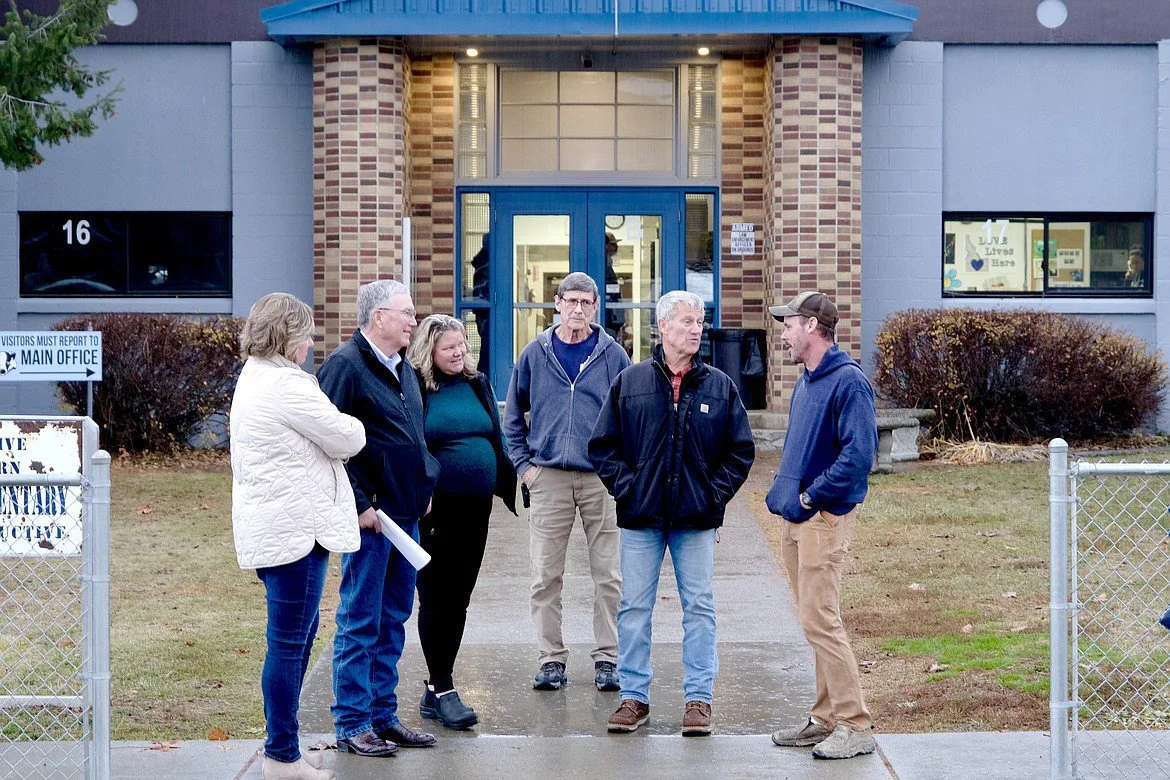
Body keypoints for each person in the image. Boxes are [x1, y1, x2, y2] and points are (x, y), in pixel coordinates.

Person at [588, 290, 754, 737]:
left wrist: (712, 496)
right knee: (634, 608)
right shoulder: (630, 382)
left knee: (699, 607)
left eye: (700, 322)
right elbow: (602, 446)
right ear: (662, 327)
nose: (696, 330)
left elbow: (740, 451)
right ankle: (633, 698)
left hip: (695, 520)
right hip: (641, 519)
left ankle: (699, 699)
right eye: (687, 322)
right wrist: (629, 488)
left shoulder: (720, 386)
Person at [230, 293, 366, 780]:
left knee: (293, 640)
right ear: (286, 336)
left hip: (275, 528)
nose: (310, 344)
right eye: (306, 335)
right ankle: (282, 756)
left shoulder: (253, 376)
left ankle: (284, 749)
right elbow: (349, 437)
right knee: (289, 644)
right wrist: (350, 425)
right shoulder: (288, 385)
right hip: (296, 533)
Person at [318, 279, 441, 757]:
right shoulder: (346, 366)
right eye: (406, 313)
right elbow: (327, 446)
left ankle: (382, 716)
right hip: (371, 520)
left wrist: (424, 485)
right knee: (360, 620)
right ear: (378, 317)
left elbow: (412, 436)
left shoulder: (404, 367)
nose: (414, 321)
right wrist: (359, 504)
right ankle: (352, 723)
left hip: (405, 516)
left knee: (393, 619)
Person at [503, 271, 632, 692]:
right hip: (549, 478)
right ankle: (551, 659)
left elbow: (631, 417)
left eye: (586, 302)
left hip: (601, 481)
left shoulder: (614, 356)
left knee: (609, 575)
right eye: (571, 301)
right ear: (557, 304)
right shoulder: (535, 354)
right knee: (545, 575)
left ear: (595, 307)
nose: (578, 309)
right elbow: (512, 418)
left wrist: (619, 470)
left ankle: (608, 658)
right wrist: (525, 468)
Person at [764, 291, 878, 761]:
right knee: (813, 621)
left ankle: (855, 724)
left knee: (822, 620)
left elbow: (859, 456)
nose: (783, 334)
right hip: (797, 519)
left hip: (823, 519)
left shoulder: (849, 383)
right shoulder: (806, 382)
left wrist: (812, 496)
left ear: (812, 326)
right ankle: (825, 719)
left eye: (789, 325)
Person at [407, 314, 517, 730]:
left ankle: (437, 686)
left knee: (460, 598)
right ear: (429, 350)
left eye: (462, 345)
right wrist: (423, 485)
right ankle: (442, 688)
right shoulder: (415, 386)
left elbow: (495, 433)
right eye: (449, 347)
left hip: (476, 508)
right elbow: (412, 441)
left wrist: (509, 474)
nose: (459, 353)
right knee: (437, 596)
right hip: (436, 510)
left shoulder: (477, 383)